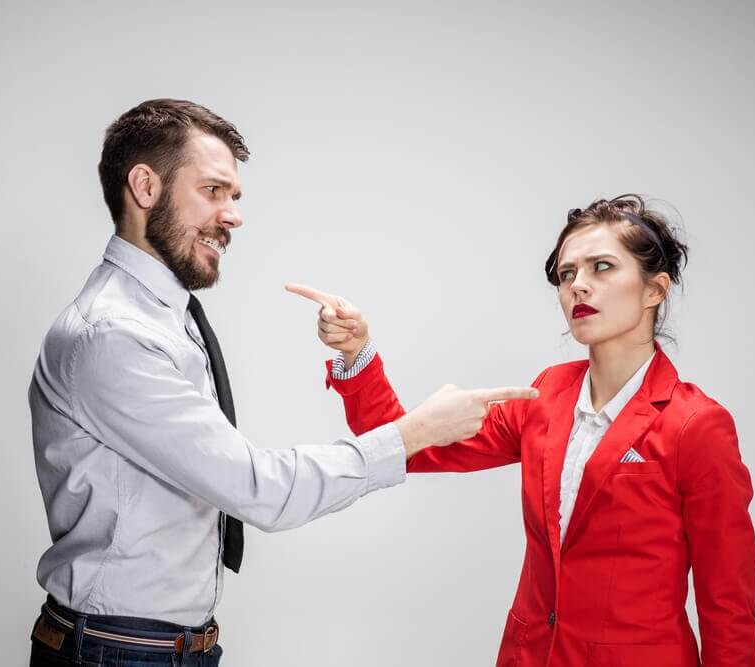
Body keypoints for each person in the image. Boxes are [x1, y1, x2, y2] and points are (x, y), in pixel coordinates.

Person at [26, 98, 538, 667]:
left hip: (163, 645)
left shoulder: (164, 313)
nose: (234, 215)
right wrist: (415, 431)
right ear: (145, 186)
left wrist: (356, 354)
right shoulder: (115, 336)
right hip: (118, 651)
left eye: (234, 197)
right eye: (213, 191)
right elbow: (257, 488)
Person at [289, 194, 755, 666]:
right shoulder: (546, 396)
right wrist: (357, 353)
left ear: (654, 289)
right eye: (567, 274)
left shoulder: (696, 425)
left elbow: (727, 604)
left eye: (602, 267)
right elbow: (408, 444)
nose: (579, 286)